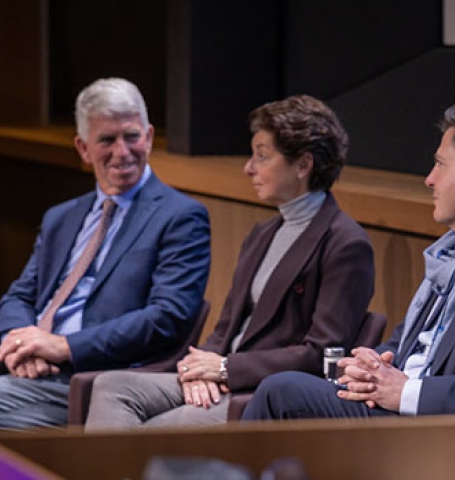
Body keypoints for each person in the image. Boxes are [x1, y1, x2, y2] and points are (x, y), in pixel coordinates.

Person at [0, 78, 211, 480]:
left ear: (149, 136)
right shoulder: (64, 216)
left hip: (86, 370)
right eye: (107, 140)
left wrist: (62, 346)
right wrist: (23, 339)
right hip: (31, 352)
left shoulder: (180, 216)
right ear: (82, 148)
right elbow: (20, 294)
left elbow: (167, 318)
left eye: (132, 137)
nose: (122, 152)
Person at [242, 98, 455, 420]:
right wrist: (372, 364)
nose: (429, 179)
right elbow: (405, 346)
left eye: (440, 164)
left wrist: (406, 392)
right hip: (400, 408)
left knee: (281, 392)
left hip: (440, 431)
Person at [84, 94, 374, 428]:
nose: (248, 168)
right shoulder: (263, 233)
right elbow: (225, 328)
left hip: (261, 391)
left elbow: (321, 354)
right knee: (111, 386)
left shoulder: (345, 243)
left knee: (155, 431)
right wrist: (199, 370)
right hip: (222, 378)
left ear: (303, 165)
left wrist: (225, 370)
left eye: (262, 156)